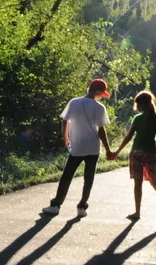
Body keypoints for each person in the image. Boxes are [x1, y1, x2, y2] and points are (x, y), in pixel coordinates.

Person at [42, 78, 112, 218]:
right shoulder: (99, 108)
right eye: (101, 93)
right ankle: (82, 207)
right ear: (97, 91)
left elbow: (65, 121)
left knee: (67, 175)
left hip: (78, 146)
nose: (101, 96)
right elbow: (101, 130)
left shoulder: (74, 102)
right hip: (93, 147)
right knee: (89, 178)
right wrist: (108, 149)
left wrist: (66, 138)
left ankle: (55, 205)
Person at [108, 90, 156, 222]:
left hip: (136, 153)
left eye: (138, 104)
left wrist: (117, 151)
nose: (137, 107)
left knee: (138, 183)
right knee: (154, 181)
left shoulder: (138, 119)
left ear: (142, 105)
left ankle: (137, 212)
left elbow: (128, 137)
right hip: (149, 153)